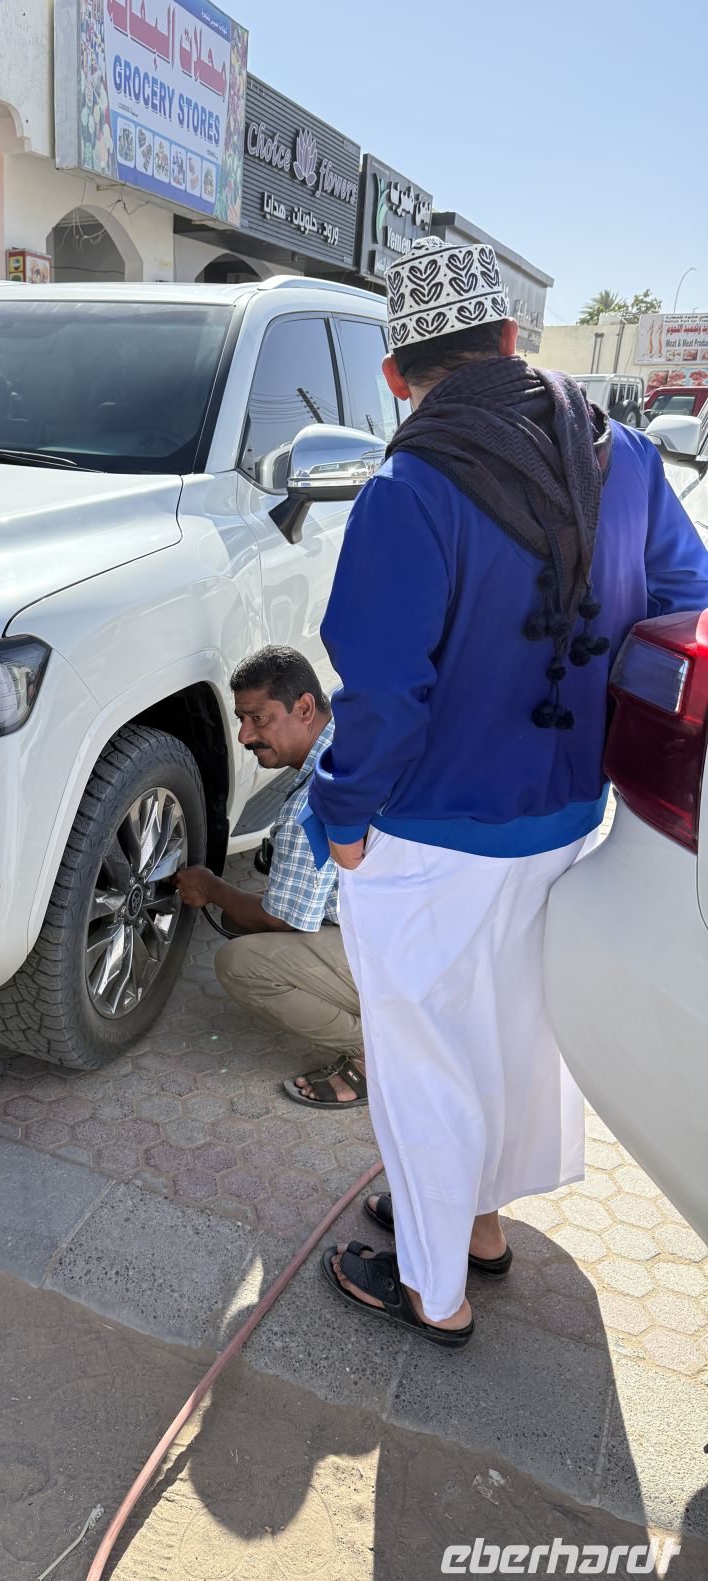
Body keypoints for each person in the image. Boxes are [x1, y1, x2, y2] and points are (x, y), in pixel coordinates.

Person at [306, 236, 708, 1349]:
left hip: (429, 832)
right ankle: (476, 1228)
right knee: (509, 1035)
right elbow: (686, 599)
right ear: (514, 339)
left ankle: (434, 1292)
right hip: (567, 821)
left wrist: (340, 814)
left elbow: (382, 694)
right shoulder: (624, 457)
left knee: (426, 1056)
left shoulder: (410, 486)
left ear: (397, 375)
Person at [174, 646, 365, 1109]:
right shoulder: (356, 726)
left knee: (241, 963)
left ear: (304, 708)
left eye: (258, 718)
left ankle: (379, 1054)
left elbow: (283, 921)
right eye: (241, 719)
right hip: (440, 933)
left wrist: (212, 888)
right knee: (245, 918)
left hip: (413, 962)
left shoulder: (311, 806)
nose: (244, 735)